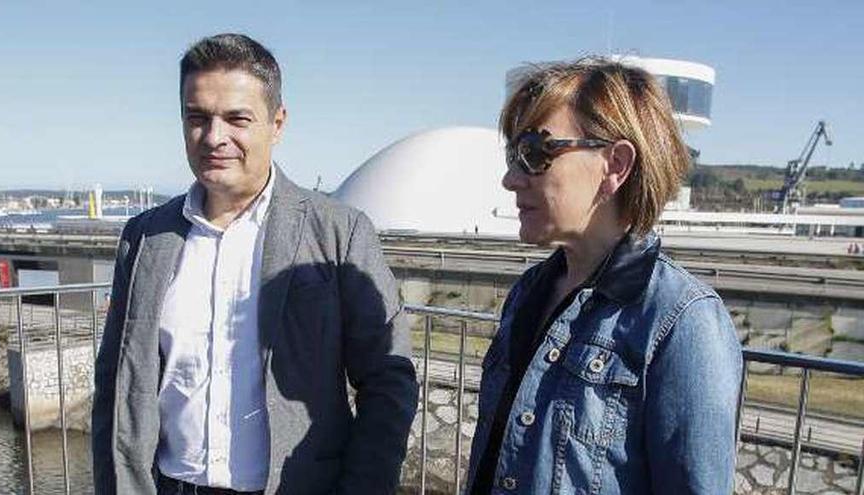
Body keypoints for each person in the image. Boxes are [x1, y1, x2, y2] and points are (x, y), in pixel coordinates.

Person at [92, 33, 418, 495]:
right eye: (197, 118)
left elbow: (388, 380)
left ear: (277, 123)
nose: (214, 137)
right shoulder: (145, 238)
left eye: (236, 119)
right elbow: (116, 382)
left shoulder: (339, 232)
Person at [466, 58, 742, 494]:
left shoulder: (680, 321)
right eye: (511, 155)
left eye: (534, 153)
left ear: (616, 165)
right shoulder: (528, 292)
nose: (510, 178)